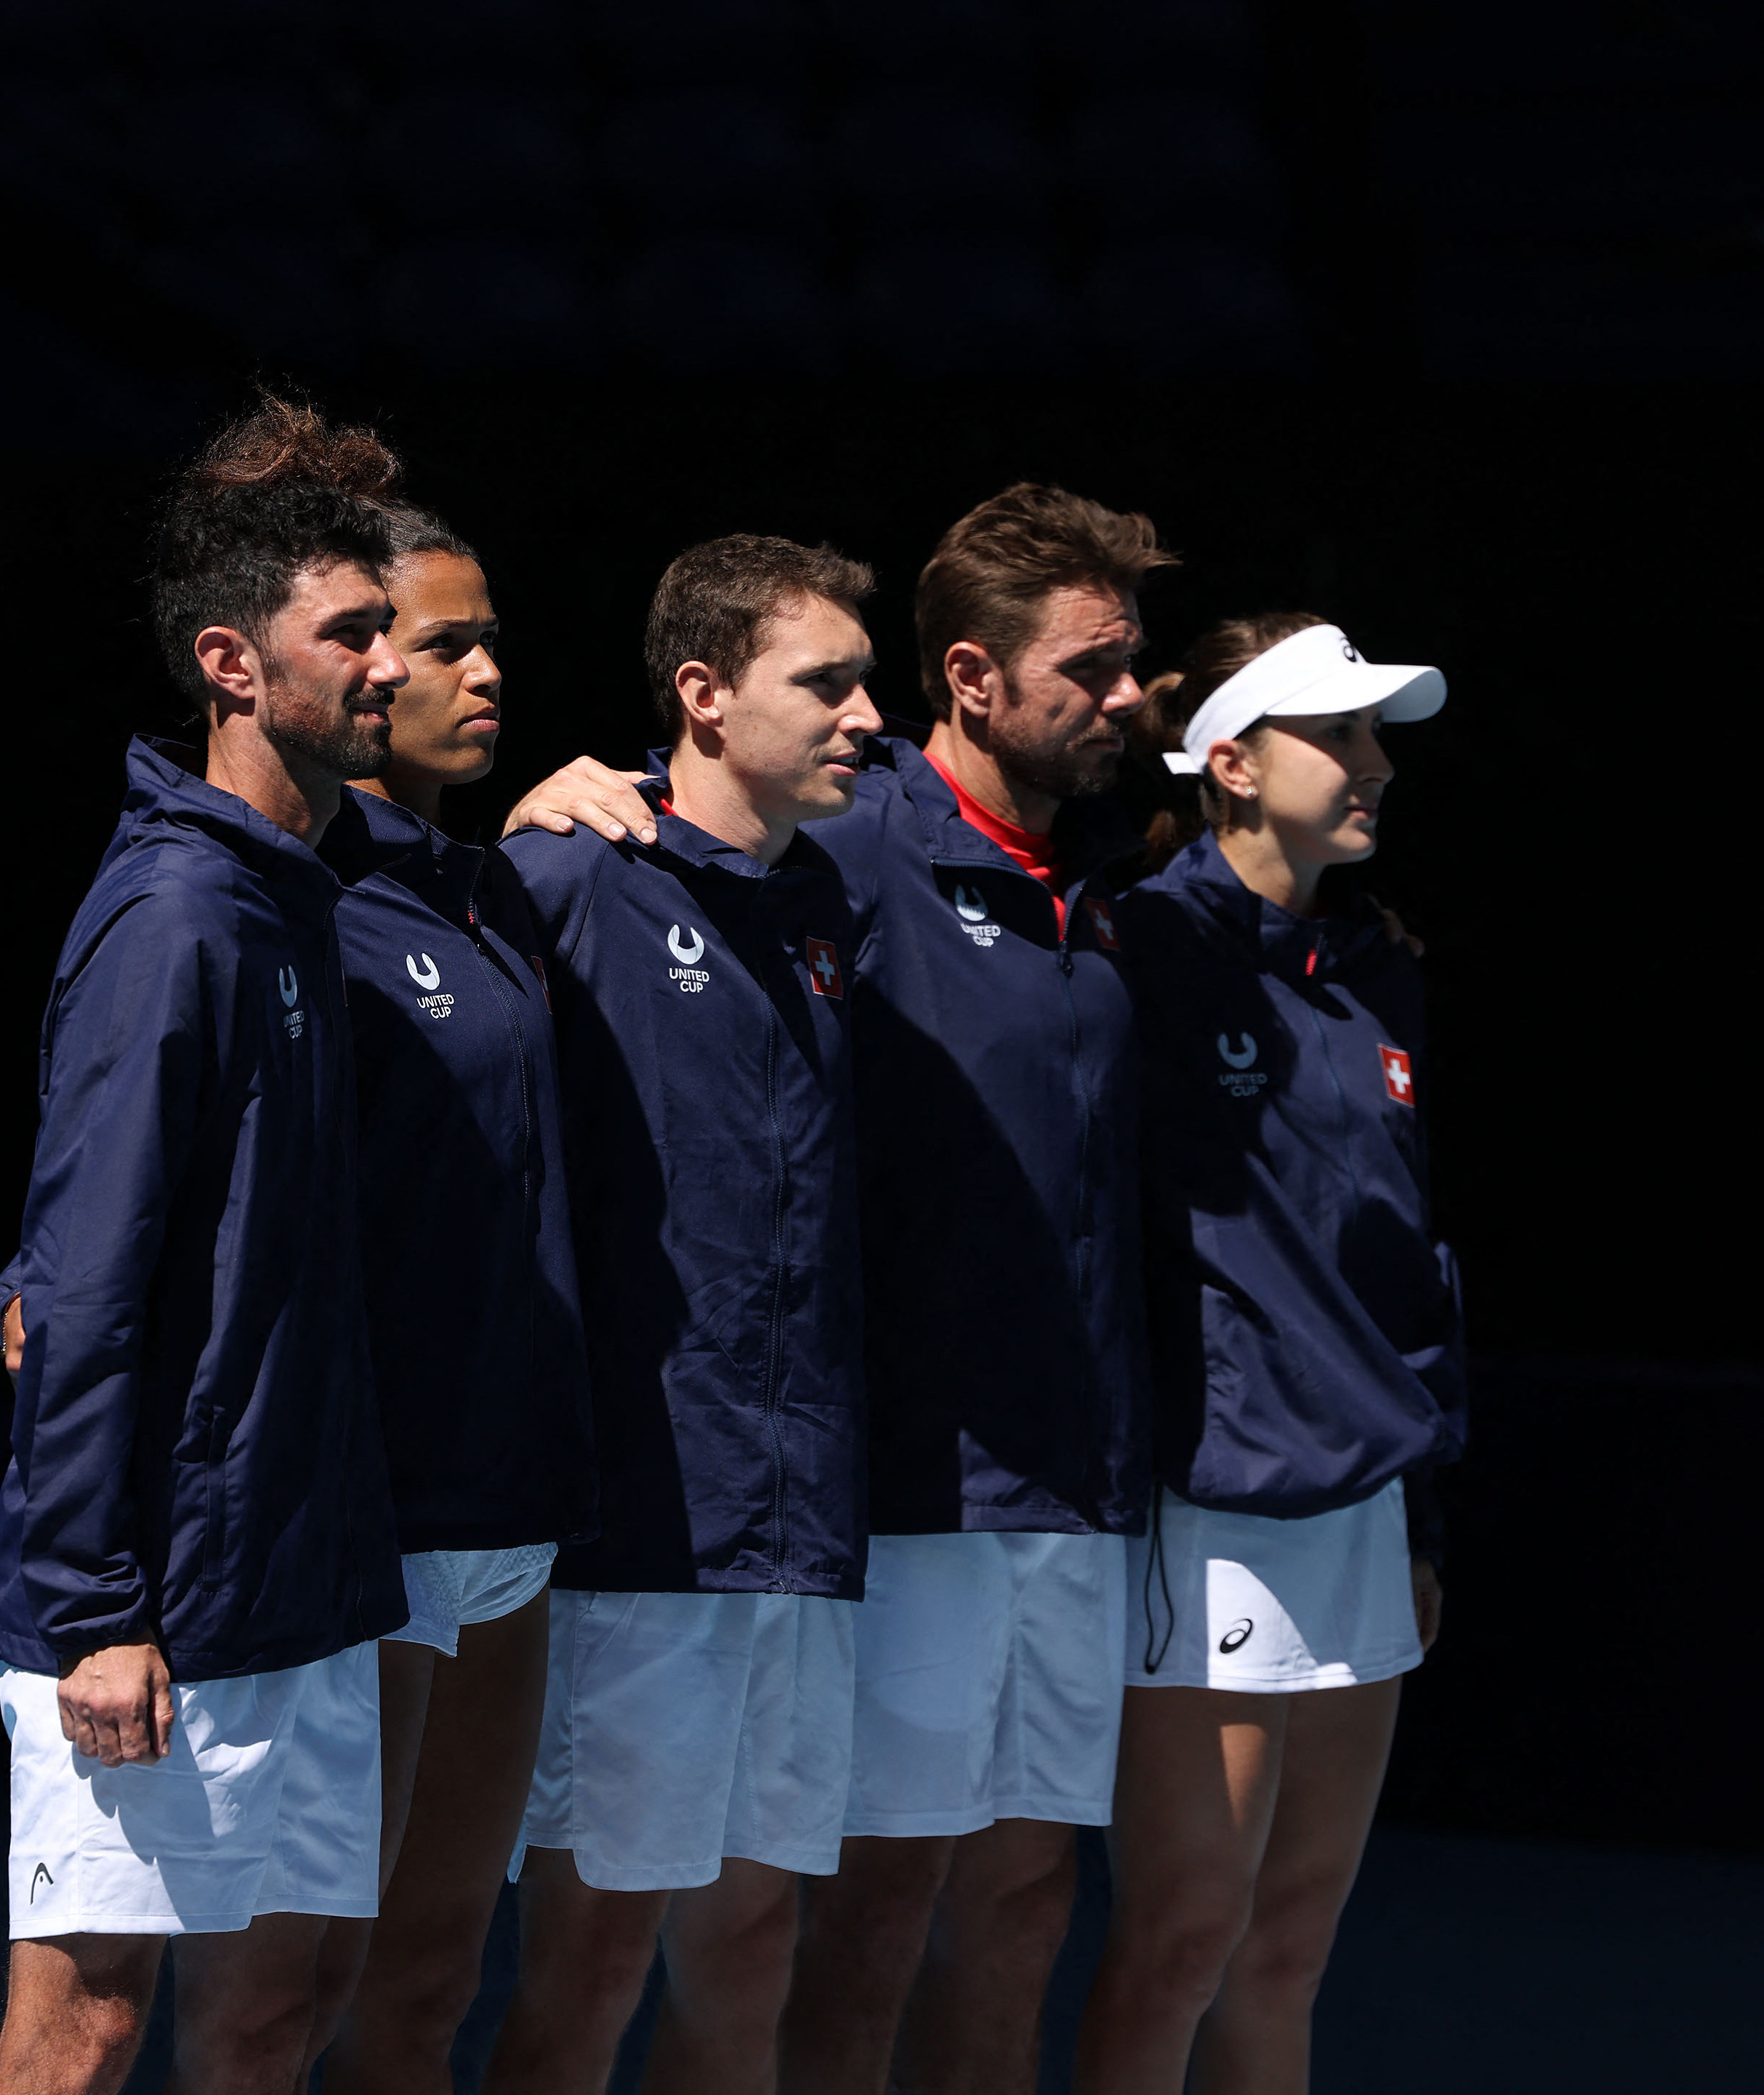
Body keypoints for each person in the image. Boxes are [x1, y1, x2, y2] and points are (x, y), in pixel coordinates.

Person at [512, 486, 1175, 2091]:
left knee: (883, 1918)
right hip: (754, 1504)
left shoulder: (943, 885)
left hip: (896, 1504)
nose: (860, 719)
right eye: (828, 683)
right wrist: (549, 801)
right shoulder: (701, 862)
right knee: (670, 1942)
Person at [0, 399, 411, 2095]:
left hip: (294, 1579)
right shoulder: (178, 916)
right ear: (236, 664)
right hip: (159, 1593)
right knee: (82, 2030)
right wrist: (94, 1605)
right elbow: (80, 1278)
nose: (390, 663)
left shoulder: (296, 888)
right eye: (354, 633)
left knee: (272, 2023)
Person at [482, 536, 882, 2095]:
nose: (869, 718)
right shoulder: (568, 876)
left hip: (803, 1525)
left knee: (754, 1956)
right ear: (704, 697)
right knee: (588, 1967)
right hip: (640, 1534)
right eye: (829, 684)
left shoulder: (827, 900)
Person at [1072, 614, 1461, 2095]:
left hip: (1364, 1506)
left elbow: (1412, 1258)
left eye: (1378, 737)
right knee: (1182, 1937)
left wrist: (1424, 1502)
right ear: (1229, 762)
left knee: (1288, 1944)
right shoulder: (1140, 944)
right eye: (1339, 735)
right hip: (1212, 1510)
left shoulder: (1375, 973)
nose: (1375, 767)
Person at [311, 507, 597, 2095]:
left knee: (426, 1986)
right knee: (292, 1996)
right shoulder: (283, 884)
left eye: (491, 639)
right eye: (445, 645)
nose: (487, 671)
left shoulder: (492, 886)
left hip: (509, 1507)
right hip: (370, 1518)